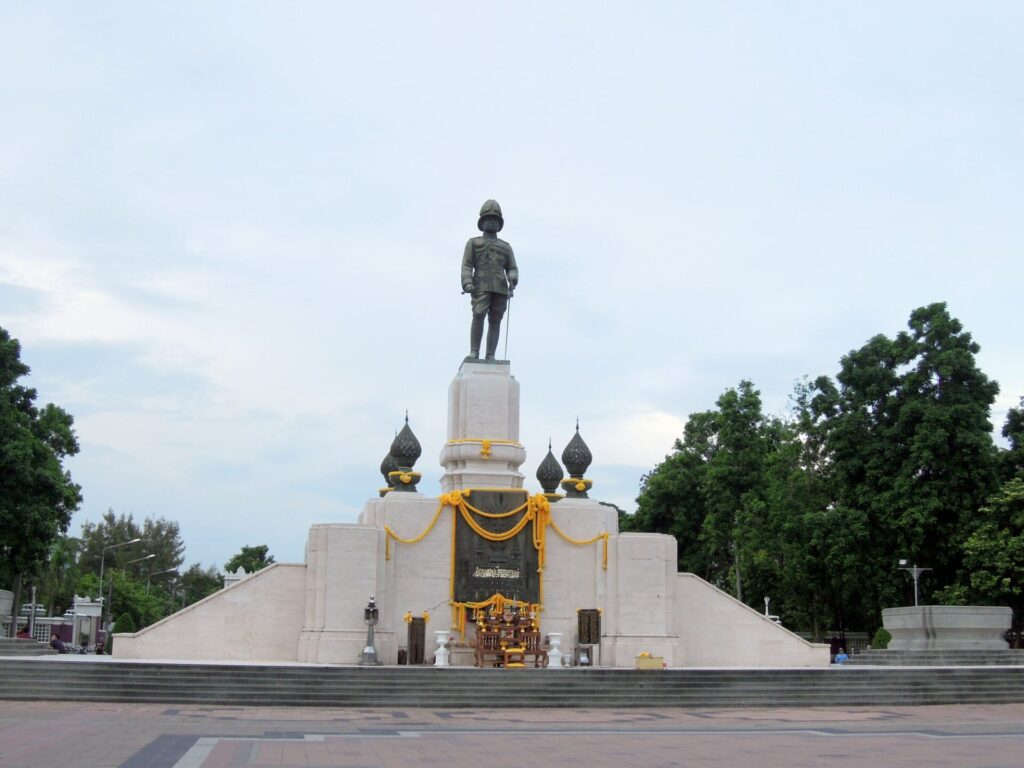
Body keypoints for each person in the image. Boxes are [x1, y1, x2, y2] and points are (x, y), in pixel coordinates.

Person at [461, 199, 518, 361]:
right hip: (480, 285)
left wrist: (513, 277)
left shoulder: (506, 247)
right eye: (489, 219)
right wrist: (467, 282)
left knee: (495, 320)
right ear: (482, 222)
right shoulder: (473, 243)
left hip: (500, 288)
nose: (492, 222)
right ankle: (474, 352)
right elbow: (467, 265)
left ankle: (491, 354)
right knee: (478, 314)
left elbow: (512, 267)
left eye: (495, 219)